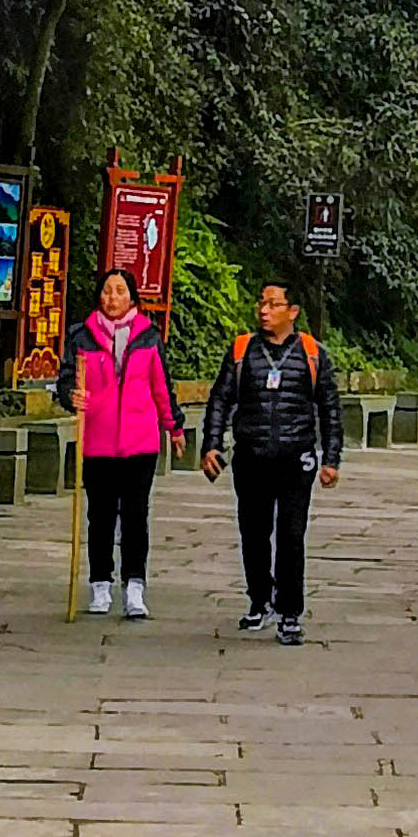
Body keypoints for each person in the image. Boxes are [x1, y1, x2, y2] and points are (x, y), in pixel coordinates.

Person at [198, 278, 340, 642]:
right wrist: (211, 444)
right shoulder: (243, 351)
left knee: (292, 537)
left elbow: (330, 410)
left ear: (292, 312)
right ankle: (259, 600)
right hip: (252, 458)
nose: (264, 310)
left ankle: (290, 612)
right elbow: (220, 400)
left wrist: (331, 458)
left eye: (274, 304)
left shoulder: (312, 354)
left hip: (296, 461)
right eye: (262, 303)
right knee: (254, 535)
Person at [55, 267, 182, 619]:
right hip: (97, 440)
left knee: (135, 516)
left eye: (120, 291)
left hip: (140, 441)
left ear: (132, 298)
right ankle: (99, 584)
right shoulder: (82, 337)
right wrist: (71, 395)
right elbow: (66, 379)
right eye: (108, 291)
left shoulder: (148, 338)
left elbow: (161, 386)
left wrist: (174, 426)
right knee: (100, 516)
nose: (113, 298)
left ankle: (135, 586)